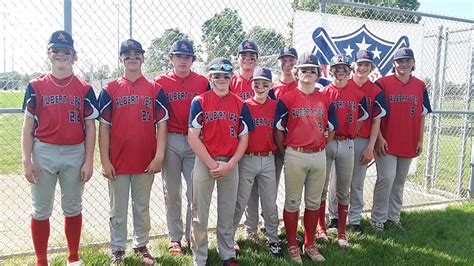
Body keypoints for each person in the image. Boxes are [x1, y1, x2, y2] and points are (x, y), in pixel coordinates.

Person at [21, 30, 98, 266]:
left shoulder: (84, 88)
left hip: (75, 151)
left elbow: (91, 127)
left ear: (74, 56)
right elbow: (27, 126)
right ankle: (41, 260)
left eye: (66, 52)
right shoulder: (36, 85)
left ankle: (73, 258)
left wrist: (88, 160)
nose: (61, 55)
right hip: (43, 150)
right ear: (49, 54)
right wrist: (26, 159)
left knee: (73, 206)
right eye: (56, 50)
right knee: (41, 208)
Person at [98, 39, 168, 265]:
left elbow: (162, 125)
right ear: (121, 59)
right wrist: (104, 160)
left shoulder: (155, 88)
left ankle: (141, 246)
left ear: (143, 58)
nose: (132, 58)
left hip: (145, 160)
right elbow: (104, 127)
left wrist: (159, 156)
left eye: (136, 54)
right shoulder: (110, 89)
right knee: (117, 209)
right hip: (117, 160)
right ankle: (118, 249)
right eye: (127, 55)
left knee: (142, 206)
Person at [188, 58, 253, 266]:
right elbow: (192, 137)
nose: (221, 80)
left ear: (231, 78)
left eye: (225, 76)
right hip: (205, 162)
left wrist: (231, 164)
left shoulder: (239, 103)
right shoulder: (199, 101)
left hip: (229, 163)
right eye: (217, 76)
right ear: (210, 78)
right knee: (199, 213)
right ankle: (200, 257)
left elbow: (244, 138)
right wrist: (212, 165)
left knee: (227, 211)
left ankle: (227, 253)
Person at [275, 52, 338, 263]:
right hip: (295, 154)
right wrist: (288, 152)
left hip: (318, 155)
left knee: (313, 202)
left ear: (318, 73)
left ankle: (309, 244)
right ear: (296, 72)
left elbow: (332, 129)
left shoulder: (325, 99)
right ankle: (292, 245)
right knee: (292, 202)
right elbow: (278, 130)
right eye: (303, 70)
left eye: (312, 70)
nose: (308, 73)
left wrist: (320, 145)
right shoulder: (287, 99)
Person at [155, 39, 209, 255]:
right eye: (179, 56)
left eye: (187, 57)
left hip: (195, 140)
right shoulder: (161, 82)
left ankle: (191, 235)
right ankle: (174, 237)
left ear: (193, 60)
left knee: (194, 192)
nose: (183, 60)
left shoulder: (203, 82)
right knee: (172, 191)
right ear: (171, 58)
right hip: (171, 139)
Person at [326, 50, 387, 234]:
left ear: (371, 67)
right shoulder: (342, 83)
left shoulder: (375, 90)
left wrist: (370, 146)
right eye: (359, 64)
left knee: (357, 182)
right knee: (335, 181)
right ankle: (335, 217)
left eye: (366, 65)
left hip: (360, 139)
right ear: (353, 66)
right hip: (336, 138)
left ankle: (354, 218)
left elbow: (376, 119)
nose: (362, 68)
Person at [371, 47, 432, 231]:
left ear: (413, 63)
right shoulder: (383, 83)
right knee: (386, 178)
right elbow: (376, 115)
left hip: (409, 141)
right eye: (400, 61)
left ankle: (393, 217)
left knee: (399, 182)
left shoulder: (420, 85)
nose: (404, 64)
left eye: (408, 60)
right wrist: (379, 138)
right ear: (394, 64)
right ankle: (378, 219)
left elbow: (422, 115)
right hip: (386, 141)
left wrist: (420, 140)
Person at [318, 54, 369, 248]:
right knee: (322, 187)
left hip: (347, 143)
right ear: (330, 71)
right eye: (336, 69)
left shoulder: (357, 93)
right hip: (328, 143)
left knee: (343, 189)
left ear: (350, 70)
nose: (340, 72)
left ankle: (341, 232)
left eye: (344, 69)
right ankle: (321, 229)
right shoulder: (324, 93)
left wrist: (349, 136)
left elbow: (362, 118)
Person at [232, 67, 282, 257]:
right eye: (257, 84)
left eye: (265, 84)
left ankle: (273, 239)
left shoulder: (275, 106)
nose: (260, 87)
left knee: (270, 203)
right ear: (251, 85)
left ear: (271, 86)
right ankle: (228, 238)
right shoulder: (244, 105)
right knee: (241, 200)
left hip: (268, 159)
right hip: (248, 158)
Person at [230, 39, 262, 243]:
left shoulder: (263, 81)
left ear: (257, 59)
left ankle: (251, 231)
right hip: (237, 146)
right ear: (238, 58)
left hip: (258, 144)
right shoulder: (232, 81)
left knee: (255, 192)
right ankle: (229, 233)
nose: (248, 59)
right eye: (244, 55)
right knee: (237, 193)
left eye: (252, 56)